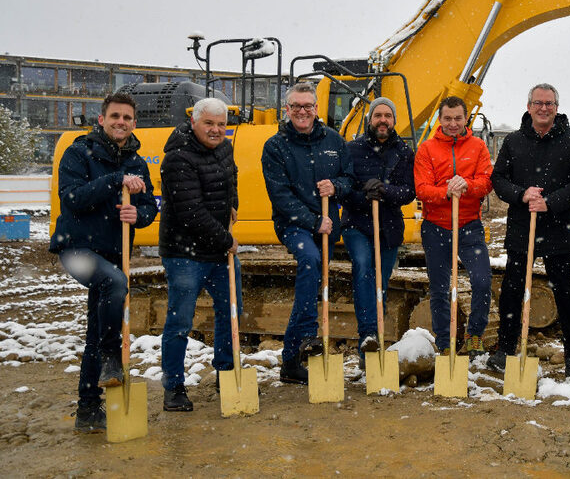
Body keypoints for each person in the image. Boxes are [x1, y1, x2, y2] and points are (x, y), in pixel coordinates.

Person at [50, 92, 158, 432]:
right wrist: (114, 180)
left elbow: (150, 207)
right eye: (115, 116)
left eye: (127, 118)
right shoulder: (78, 153)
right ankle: (113, 357)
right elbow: (73, 198)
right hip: (78, 248)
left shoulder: (138, 163)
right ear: (102, 119)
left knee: (96, 329)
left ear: (134, 123)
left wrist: (136, 213)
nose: (120, 122)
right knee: (114, 283)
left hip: (114, 252)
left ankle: (87, 408)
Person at [489, 83, 570, 377]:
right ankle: (505, 350)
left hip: (559, 226)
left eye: (549, 103)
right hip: (523, 227)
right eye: (538, 103)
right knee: (512, 289)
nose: (543, 108)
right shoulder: (513, 141)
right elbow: (498, 179)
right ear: (529, 107)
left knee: (565, 292)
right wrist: (522, 194)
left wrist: (551, 202)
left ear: (556, 108)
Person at [262, 82, 354, 383]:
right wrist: (314, 222)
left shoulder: (334, 141)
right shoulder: (275, 146)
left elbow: (348, 179)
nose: (302, 111)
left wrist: (336, 187)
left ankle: (290, 361)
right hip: (294, 225)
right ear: (287, 110)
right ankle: (308, 334)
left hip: (326, 225)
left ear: (316, 109)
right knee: (310, 260)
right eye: (296, 106)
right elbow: (281, 196)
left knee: (311, 280)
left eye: (308, 106)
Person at [158, 97, 241, 411]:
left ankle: (227, 374)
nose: (216, 130)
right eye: (209, 123)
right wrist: (226, 240)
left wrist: (233, 203)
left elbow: (231, 177)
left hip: (216, 249)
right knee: (180, 320)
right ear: (194, 122)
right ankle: (174, 388)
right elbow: (190, 212)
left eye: (221, 124)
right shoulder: (177, 159)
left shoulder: (224, 148)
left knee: (230, 311)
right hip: (185, 252)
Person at [413, 96, 493, 356]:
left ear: (465, 118)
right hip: (436, 226)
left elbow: (487, 181)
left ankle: (474, 335)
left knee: (482, 281)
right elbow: (422, 189)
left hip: (469, 224)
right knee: (439, 287)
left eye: (458, 118)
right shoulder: (427, 149)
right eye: (447, 118)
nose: (453, 123)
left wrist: (468, 186)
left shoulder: (478, 147)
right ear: (440, 119)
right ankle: (445, 343)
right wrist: (445, 192)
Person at [342, 97, 415, 368]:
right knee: (363, 267)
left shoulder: (404, 152)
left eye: (388, 115)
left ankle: (370, 351)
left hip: (389, 228)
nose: (383, 120)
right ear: (370, 119)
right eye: (378, 115)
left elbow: (409, 192)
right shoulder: (351, 149)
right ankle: (368, 333)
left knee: (380, 285)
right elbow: (344, 190)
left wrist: (385, 191)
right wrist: (363, 194)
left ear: (394, 120)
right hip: (357, 225)